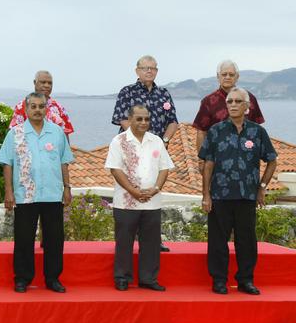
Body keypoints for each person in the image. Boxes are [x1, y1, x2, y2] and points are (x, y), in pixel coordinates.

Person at [199, 88, 277, 295]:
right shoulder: (216, 131)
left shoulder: (257, 132)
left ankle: (245, 280)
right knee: (217, 242)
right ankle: (219, 280)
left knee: (247, 241)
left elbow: (272, 160)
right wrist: (206, 194)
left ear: (247, 106)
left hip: (247, 196)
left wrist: (261, 187)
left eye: (237, 101)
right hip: (220, 195)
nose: (232, 104)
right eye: (229, 101)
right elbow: (208, 163)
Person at [0, 92, 74, 293]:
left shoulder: (57, 132)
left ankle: (53, 278)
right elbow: (7, 164)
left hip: (52, 194)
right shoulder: (15, 133)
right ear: (26, 109)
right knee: (23, 238)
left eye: (41, 106)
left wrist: (67, 188)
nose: (38, 110)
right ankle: (22, 278)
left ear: (46, 109)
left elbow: (64, 162)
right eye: (34, 106)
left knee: (54, 239)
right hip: (25, 195)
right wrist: (8, 191)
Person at [111, 55, 178, 253]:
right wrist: (138, 138)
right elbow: (121, 119)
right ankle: (126, 241)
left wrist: (163, 141)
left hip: (156, 150)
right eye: (145, 68)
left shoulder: (164, 93)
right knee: (129, 193)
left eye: (153, 68)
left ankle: (153, 241)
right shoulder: (127, 92)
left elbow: (173, 121)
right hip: (131, 150)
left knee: (152, 192)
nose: (149, 71)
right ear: (137, 70)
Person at [105, 105, 174, 292]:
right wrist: (132, 191)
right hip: (126, 201)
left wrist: (156, 189)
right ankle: (122, 278)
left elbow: (164, 167)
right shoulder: (118, 141)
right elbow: (115, 169)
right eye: (139, 119)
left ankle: (148, 278)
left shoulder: (157, 141)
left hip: (152, 201)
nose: (144, 122)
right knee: (124, 242)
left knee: (151, 242)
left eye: (146, 119)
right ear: (130, 119)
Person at [193, 60, 266, 154]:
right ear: (218, 76)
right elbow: (201, 132)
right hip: (217, 159)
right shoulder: (208, 102)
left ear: (237, 77)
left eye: (231, 74)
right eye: (224, 74)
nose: (227, 77)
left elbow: (257, 130)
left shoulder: (250, 99)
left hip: (247, 157)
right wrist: (201, 160)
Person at [9, 70, 74, 135]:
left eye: (50, 83)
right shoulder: (23, 106)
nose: (47, 85)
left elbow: (65, 135)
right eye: (43, 82)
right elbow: (15, 134)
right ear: (35, 82)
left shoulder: (59, 108)